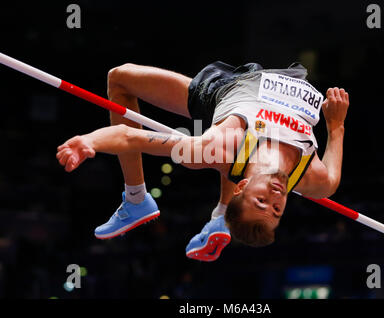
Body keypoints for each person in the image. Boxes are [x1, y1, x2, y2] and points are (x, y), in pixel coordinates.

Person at [56, 61, 349, 262]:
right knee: (237, 158)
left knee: (119, 78)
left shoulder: (212, 148)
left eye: (260, 201)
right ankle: (220, 216)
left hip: (228, 88)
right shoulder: (314, 178)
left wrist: (89, 141)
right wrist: (336, 126)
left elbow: (130, 137)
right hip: (285, 81)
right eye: (275, 210)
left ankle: (136, 197)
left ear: (242, 187)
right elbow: (333, 180)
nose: (275, 198)